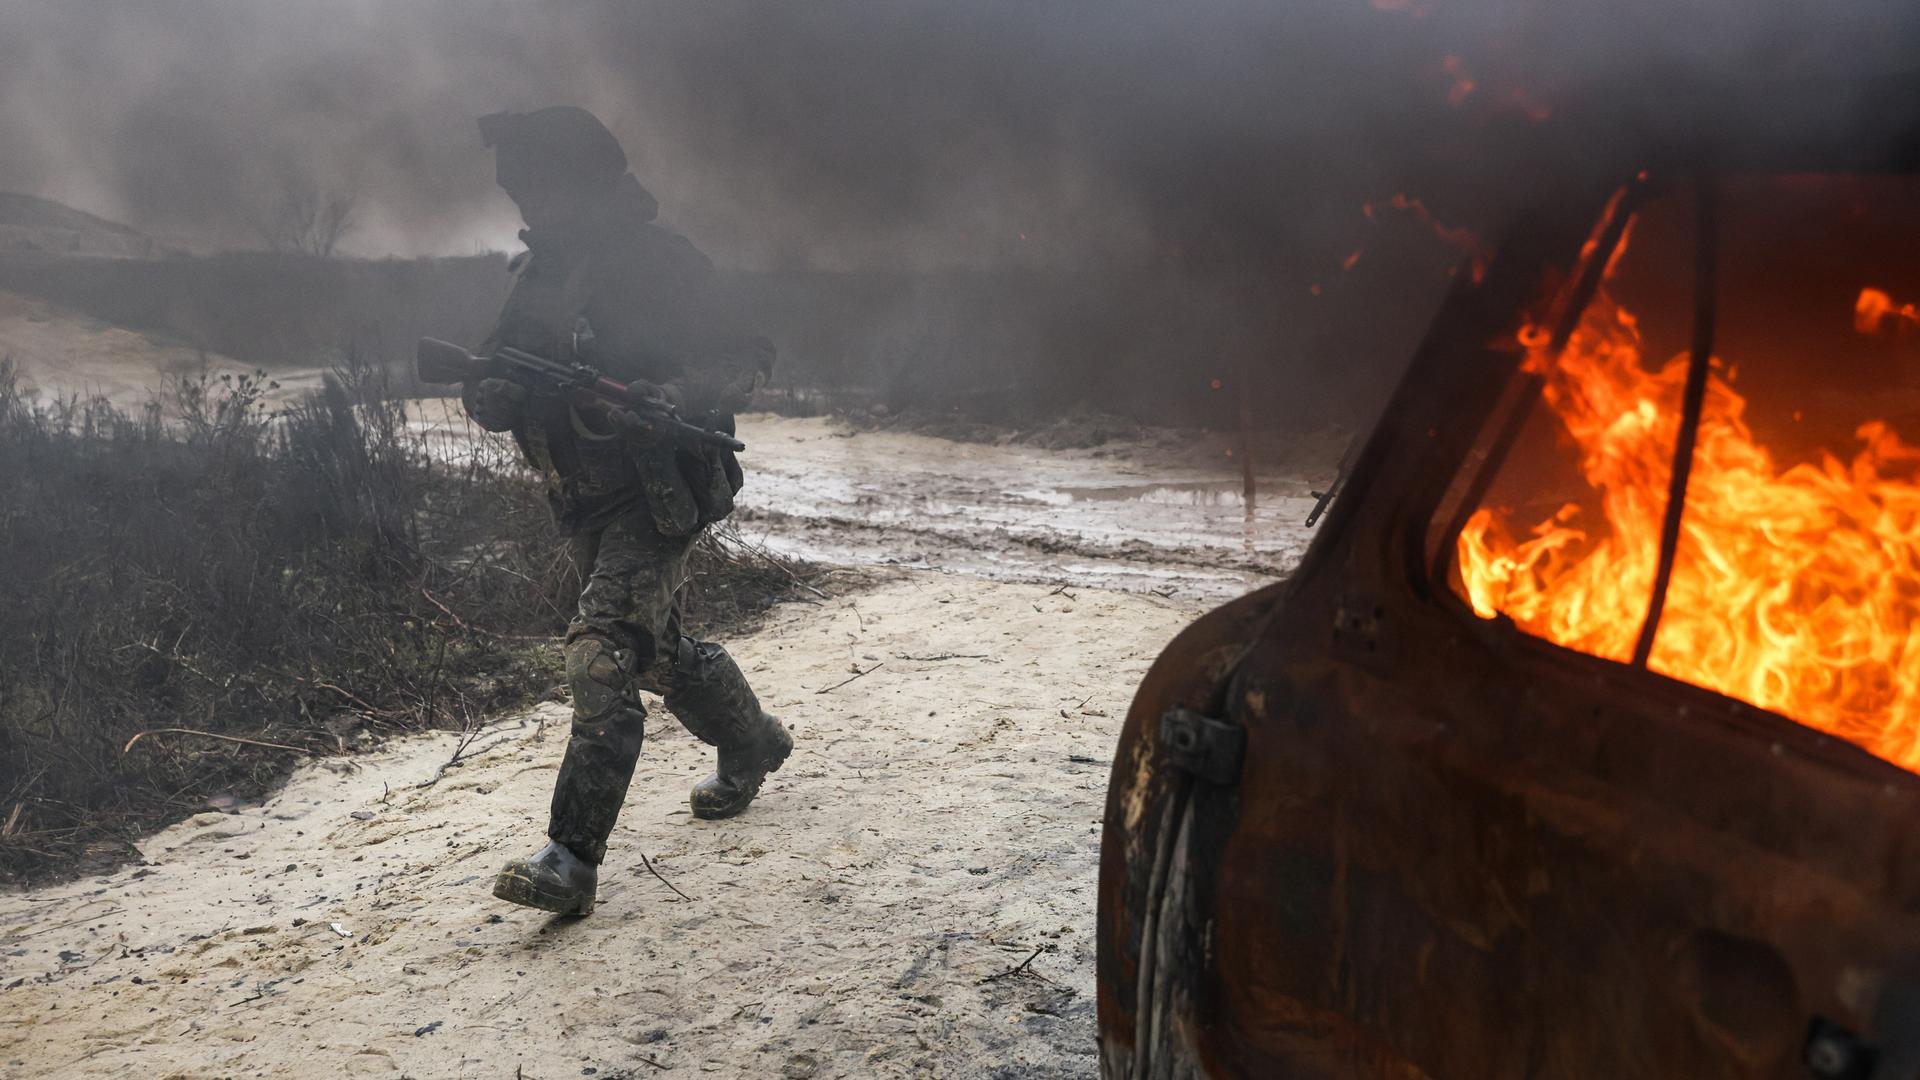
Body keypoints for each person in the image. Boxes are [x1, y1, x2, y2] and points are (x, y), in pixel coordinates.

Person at [463, 106, 791, 916]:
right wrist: (492, 396)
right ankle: (751, 739)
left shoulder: (657, 261)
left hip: (659, 488)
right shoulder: (539, 275)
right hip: (581, 498)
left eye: (533, 186)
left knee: (601, 649)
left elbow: (744, 350)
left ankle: (571, 857)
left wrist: (675, 394)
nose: (523, 206)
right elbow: (489, 374)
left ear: (578, 180)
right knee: (655, 653)